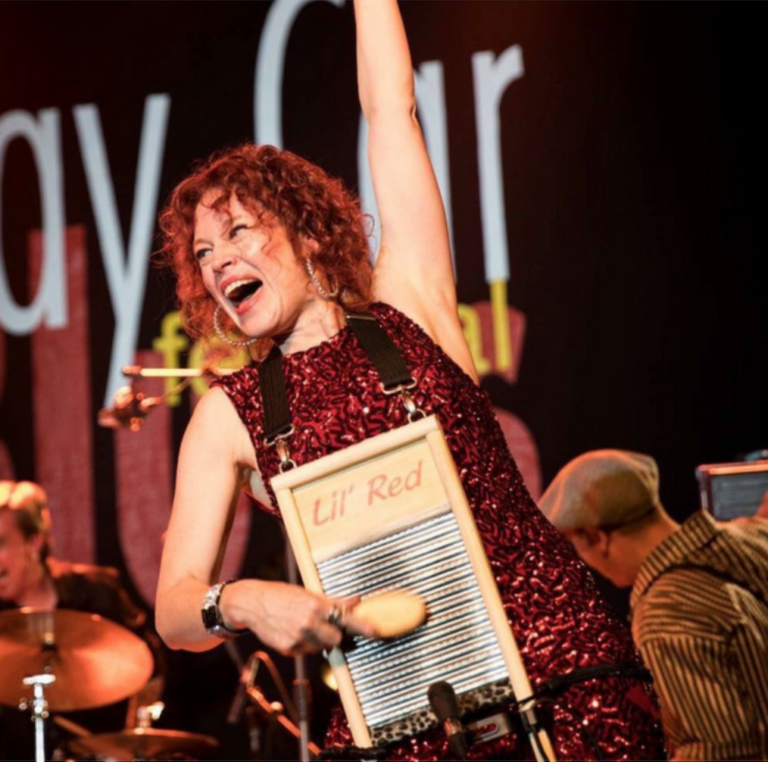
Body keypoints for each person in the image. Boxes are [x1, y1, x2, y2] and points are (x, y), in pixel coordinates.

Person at [155, 1, 665, 759]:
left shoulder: (409, 305)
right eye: (202, 253)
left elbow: (389, 106)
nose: (219, 259)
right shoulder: (230, 415)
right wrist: (245, 601)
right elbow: (174, 609)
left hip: (562, 678)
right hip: (405, 719)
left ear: (306, 231)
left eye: (238, 231)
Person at [538, 449, 768, 761]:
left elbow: (725, 751)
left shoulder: (663, 612)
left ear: (597, 537)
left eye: (576, 546)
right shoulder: (751, 537)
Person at [0, 480, 162, 760]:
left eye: (1, 542)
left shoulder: (97, 595)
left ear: (34, 541)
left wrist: (132, 738)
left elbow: (150, 668)